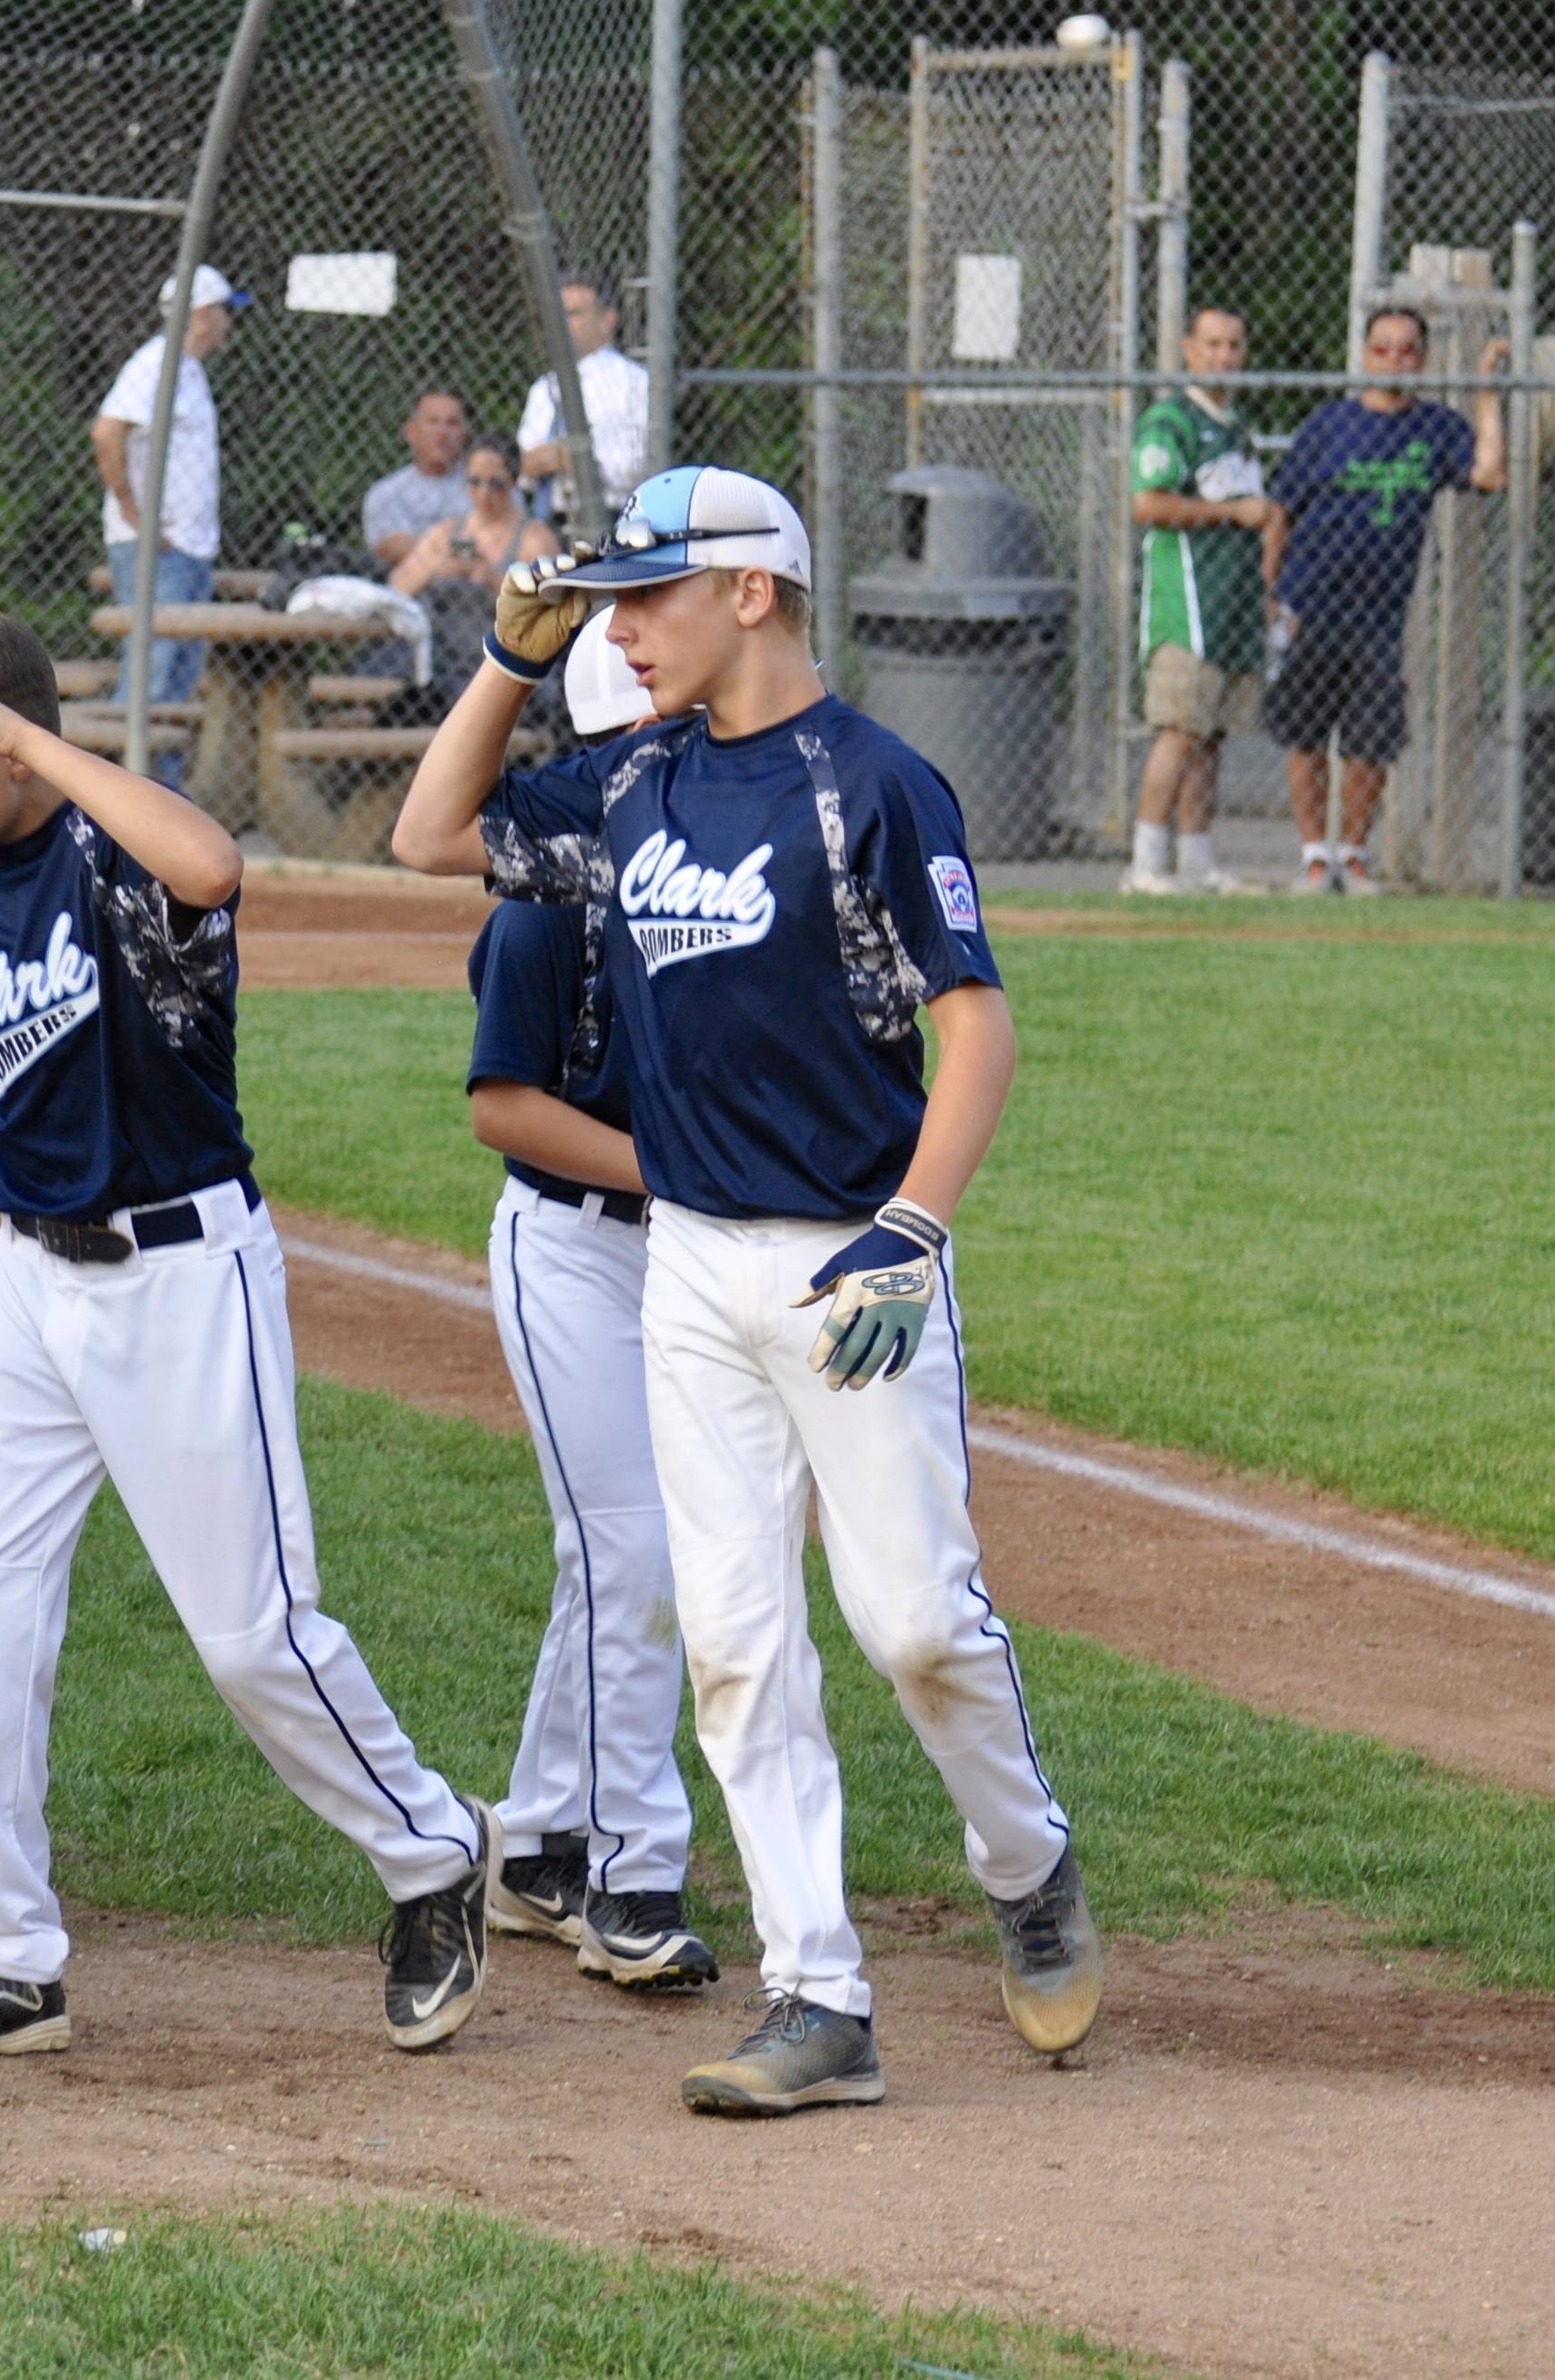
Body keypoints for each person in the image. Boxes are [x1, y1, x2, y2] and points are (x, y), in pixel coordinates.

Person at [390, 463, 1101, 2116]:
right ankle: (819, 1996)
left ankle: (1026, 1858)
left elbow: (972, 1022)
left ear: (754, 593)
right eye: (614, 601)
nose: (621, 628)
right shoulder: (630, 782)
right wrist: (508, 658)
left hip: (851, 1259)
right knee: (733, 1640)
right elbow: (431, 832)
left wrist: (915, 1229)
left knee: (916, 1623)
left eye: (651, 596)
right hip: (692, 1267)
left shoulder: (872, 782)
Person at [0, 604, 496, 2063]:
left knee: (252, 1634)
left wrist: (23, 740)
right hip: (32, 1280)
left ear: (11, 751)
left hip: (180, 1272)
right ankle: (2, 1953)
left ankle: (433, 1848)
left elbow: (214, 865)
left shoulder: (105, 857)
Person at [463, 890, 717, 1992]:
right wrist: (684, 1169)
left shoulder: (719, 870)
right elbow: (504, 1110)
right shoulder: (542, 907)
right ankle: (632, 1880)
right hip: (571, 1251)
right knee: (633, 1552)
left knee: (611, 1558)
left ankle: (540, 1845)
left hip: (699, 1249)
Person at [1263, 306, 1509, 895]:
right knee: (1304, 735)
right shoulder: (1329, 425)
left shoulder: (1434, 427)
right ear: (1365, 354)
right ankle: (1314, 858)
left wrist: (1486, 393)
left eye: (1406, 349)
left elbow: (1490, 473)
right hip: (1311, 601)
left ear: (1421, 359)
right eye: (1382, 348)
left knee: (1369, 740)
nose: (1393, 358)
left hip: (1379, 613)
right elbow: (1280, 511)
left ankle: (1352, 857)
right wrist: (1271, 592)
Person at [1126, 305, 1270, 895]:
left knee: (1211, 737)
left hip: (1231, 609)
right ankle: (1145, 863)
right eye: (1212, 344)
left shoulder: (1236, 429)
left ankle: (1197, 860)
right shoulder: (1172, 420)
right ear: (1189, 349)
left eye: (1234, 344)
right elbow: (1149, 503)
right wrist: (1229, 512)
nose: (1224, 356)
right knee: (1179, 730)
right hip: (1186, 610)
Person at [91, 264, 247, 771]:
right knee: (151, 677)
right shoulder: (156, 363)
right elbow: (107, 432)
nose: (229, 322)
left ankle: (160, 800)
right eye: (224, 311)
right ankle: (111, 804)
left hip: (187, 548)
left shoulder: (188, 369)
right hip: (159, 549)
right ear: (201, 315)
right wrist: (133, 511)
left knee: (177, 682)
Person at [389, 436, 557, 702]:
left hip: (505, 663)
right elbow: (397, 588)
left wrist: (492, 580)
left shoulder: (533, 539)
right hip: (443, 665)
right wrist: (436, 568)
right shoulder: (447, 533)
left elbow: (549, 609)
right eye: (474, 482)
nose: (484, 494)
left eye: (497, 484)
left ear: (513, 481)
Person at [516, 270, 653, 526]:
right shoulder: (544, 387)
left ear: (607, 319)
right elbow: (523, 463)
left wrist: (576, 461)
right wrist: (534, 462)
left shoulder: (633, 382)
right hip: (547, 518)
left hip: (612, 516)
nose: (562, 325)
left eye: (574, 314)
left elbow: (637, 466)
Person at [363, 386, 476, 568]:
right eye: (433, 422)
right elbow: (398, 549)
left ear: (464, 434)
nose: (443, 433)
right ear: (411, 432)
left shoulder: (488, 486)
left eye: (452, 423)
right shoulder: (386, 493)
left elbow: (501, 546)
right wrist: (467, 550)